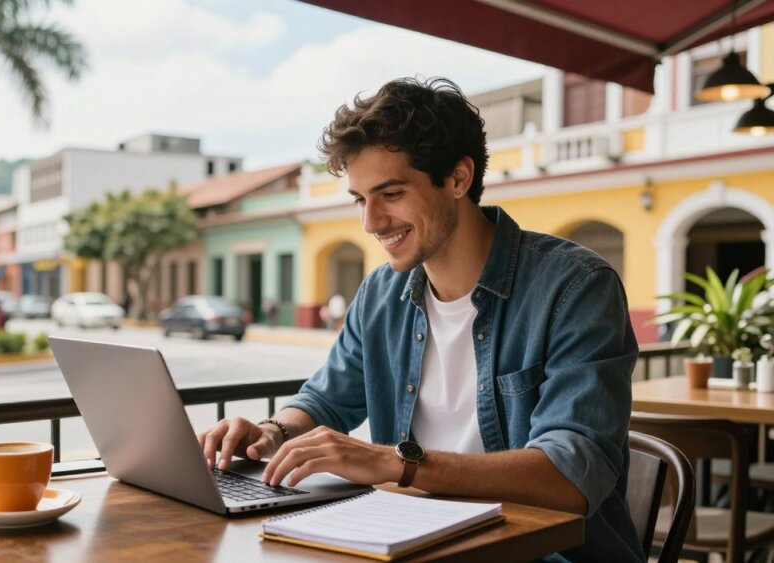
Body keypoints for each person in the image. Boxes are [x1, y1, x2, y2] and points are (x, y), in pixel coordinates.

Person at [198, 78, 641, 562]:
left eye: (389, 193)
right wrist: (274, 432)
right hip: (415, 544)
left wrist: (395, 463)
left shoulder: (575, 287)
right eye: (359, 199)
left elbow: (571, 475)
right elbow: (326, 398)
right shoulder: (381, 292)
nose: (370, 222)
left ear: (457, 178)